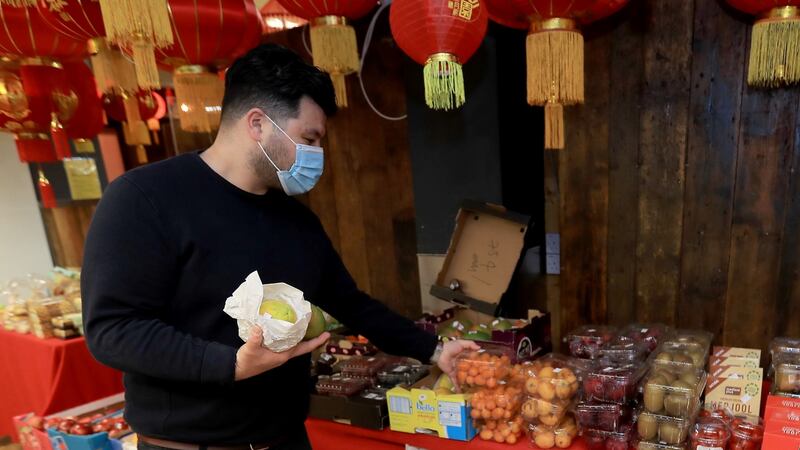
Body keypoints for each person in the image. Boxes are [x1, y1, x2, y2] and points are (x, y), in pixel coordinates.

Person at [81, 43, 478, 450]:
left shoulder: (296, 220)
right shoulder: (144, 198)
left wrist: (433, 349)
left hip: (286, 438)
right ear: (258, 124)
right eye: (310, 137)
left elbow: (350, 303)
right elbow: (113, 329)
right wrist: (230, 365)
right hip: (189, 445)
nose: (318, 154)